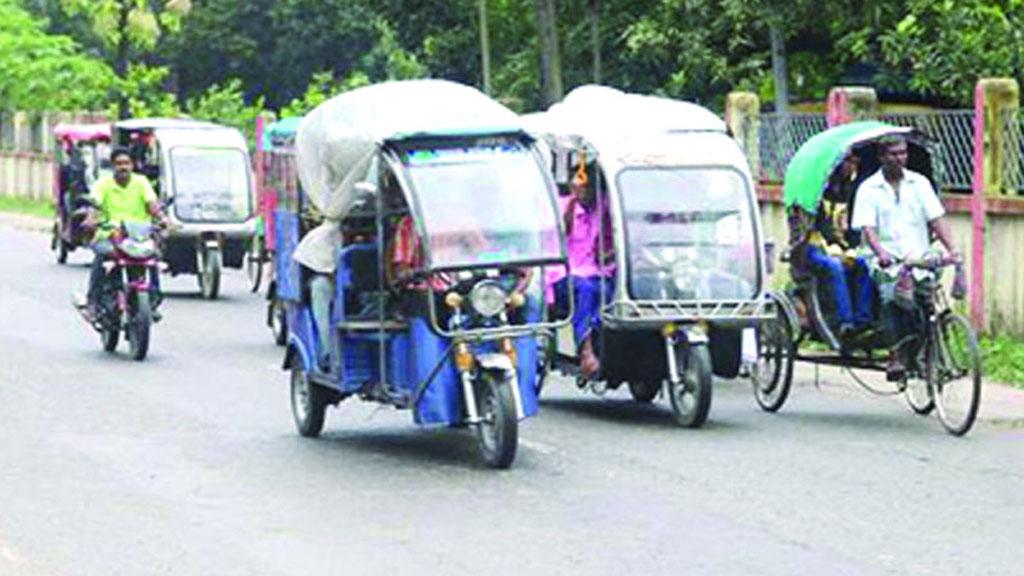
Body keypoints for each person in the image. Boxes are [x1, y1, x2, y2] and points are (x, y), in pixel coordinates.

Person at [851, 136, 962, 380]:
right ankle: (896, 354)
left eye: (903, 153)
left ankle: (930, 354)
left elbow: (936, 219)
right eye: (893, 154)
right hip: (887, 261)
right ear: (882, 157)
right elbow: (868, 229)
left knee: (927, 300)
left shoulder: (919, 183)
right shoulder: (869, 189)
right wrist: (881, 253)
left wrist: (953, 249)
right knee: (893, 297)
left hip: (919, 258)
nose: (899, 158)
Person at [80, 147, 169, 322]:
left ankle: (153, 301)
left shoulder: (142, 182)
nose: (123, 167)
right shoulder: (103, 184)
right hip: (109, 236)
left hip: (138, 237)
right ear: (113, 166)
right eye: (119, 163)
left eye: (127, 163)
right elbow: (94, 206)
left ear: (132, 165)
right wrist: (91, 219)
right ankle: (93, 303)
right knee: (101, 257)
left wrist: (162, 218)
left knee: (153, 259)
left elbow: (152, 205)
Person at [546, 162, 614, 379]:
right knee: (585, 291)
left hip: (598, 271)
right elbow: (557, 235)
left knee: (611, 291)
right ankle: (585, 350)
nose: (582, 190)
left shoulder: (605, 207)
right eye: (578, 185)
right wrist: (573, 203)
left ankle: (607, 346)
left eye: (587, 186)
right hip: (564, 274)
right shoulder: (563, 205)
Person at [804, 153, 873, 338]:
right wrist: (831, 247)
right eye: (848, 162)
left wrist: (851, 247)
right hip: (813, 245)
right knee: (835, 266)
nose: (851, 166)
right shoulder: (817, 190)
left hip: (839, 246)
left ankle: (863, 321)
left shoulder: (850, 191)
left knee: (864, 265)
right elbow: (817, 224)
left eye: (854, 162)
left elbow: (854, 226)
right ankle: (845, 322)